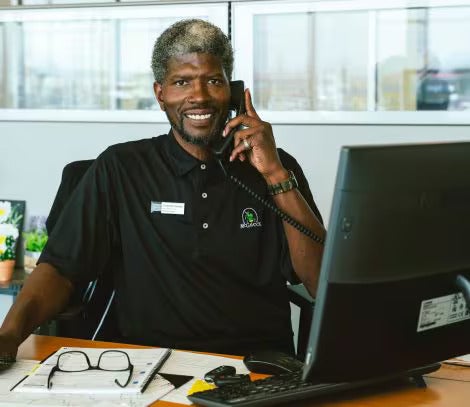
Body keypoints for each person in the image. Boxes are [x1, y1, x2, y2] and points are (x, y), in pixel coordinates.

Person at [0, 19, 325, 358]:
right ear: (160, 94)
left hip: (258, 366)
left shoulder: (275, 167)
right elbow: (61, 267)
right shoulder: (121, 167)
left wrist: (274, 173)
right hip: (149, 365)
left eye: (213, 81)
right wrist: (10, 334)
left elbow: (320, 281)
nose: (198, 96)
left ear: (232, 91)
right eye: (181, 82)